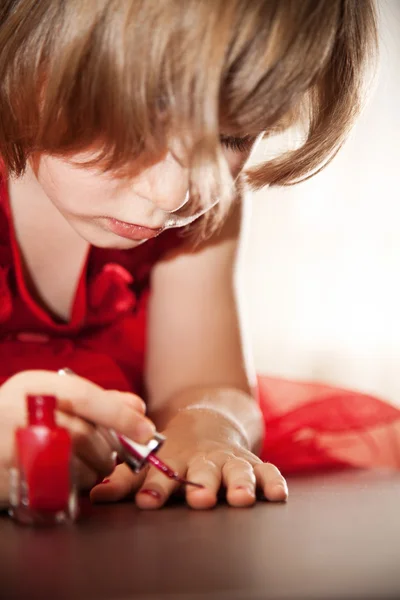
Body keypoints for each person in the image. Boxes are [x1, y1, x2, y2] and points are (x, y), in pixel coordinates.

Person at [0, 0, 376, 510]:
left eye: (232, 136)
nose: (173, 194)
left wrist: (210, 424)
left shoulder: (203, 206)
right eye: (133, 125)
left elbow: (204, 381)